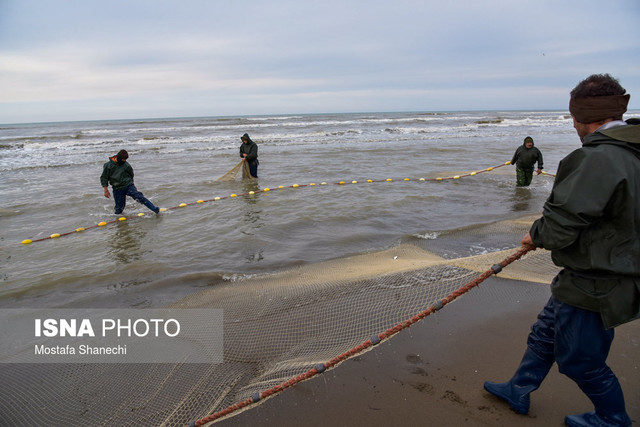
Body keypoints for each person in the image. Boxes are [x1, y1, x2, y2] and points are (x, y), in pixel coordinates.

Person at [484, 74, 639, 427]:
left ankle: (614, 419)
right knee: (544, 333)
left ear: (583, 117)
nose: (573, 126)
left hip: (598, 281)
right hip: (601, 272)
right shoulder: (633, 150)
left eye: (573, 118)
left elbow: (561, 224)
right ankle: (518, 389)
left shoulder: (598, 158)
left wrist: (535, 234)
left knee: (581, 361)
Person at [100, 149, 160, 215]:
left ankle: (154, 209)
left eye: (125, 160)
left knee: (139, 196)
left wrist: (132, 184)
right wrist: (106, 190)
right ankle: (117, 220)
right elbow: (104, 177)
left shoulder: (126, 164)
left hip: (128, 186)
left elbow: (131, 174)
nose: (124, 162)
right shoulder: (108, 165)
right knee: (119, 208)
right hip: (117, 189)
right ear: (118, 157)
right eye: (123, 160)